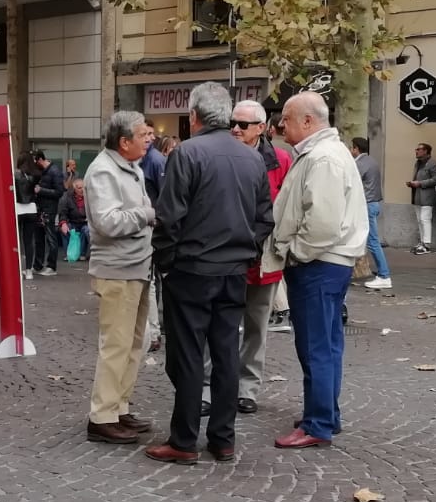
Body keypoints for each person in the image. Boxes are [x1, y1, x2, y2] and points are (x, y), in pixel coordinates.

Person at [145, 83, 273, 466]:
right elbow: (264, 218)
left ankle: (184, 440)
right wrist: (247, 252)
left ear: (194, 116)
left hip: (193, 268)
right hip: (233, 269)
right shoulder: (251, 158)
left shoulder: (187, 153)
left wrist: (167, 262)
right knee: (225, 353)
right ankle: (222, 438)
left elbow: (169, 216)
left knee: (188, 355)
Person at [265, 92, 368, 450]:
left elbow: (321, 224)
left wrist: (295, 253)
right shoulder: (324, 153)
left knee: (316, 346)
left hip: (318, 264)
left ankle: (318, 423)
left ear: (308, 121)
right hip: (327, 263)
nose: (281, 125)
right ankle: (325, 414)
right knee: (326, 343)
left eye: (287, 118)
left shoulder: (323, 158)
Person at [201, 100, 291, 416]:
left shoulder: (281, 160)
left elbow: (284, 209)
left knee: (256, 326)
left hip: (263, 259)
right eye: (232, 123)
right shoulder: (219, 155)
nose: (235, 129)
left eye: (242, 124)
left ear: (261, 128)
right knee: (216, 325)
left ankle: (247, 388)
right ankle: (208, 388)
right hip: (225, 257)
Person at [85, 111, 158, 444]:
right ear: (124, 141)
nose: (150, 138)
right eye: (143, 134)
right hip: (117, 270)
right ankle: (102, 417)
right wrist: (146, 214)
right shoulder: (103, 170)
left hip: (137, 267)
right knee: (116, 345)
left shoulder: (132, 167)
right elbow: (107, 222)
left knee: (133, 344)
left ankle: (119, 407)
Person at [349, 137, 391, 290]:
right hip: (373, 203)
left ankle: (384, 276)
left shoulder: (360, 164)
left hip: (366, 204)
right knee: (367, 240)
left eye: (352, 148)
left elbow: (350, 181)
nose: (350, 151)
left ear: (356, 149)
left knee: (373, 242)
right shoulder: (372, 161)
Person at [31, 148, 66, 276]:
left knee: (50, 238)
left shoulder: (55, 171)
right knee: (39, 239)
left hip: (49, 209)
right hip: (40, 208)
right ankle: (38, 265)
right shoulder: (43, 171)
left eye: (35, 162)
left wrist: (41, 190)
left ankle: (51, 266)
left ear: (40, 159)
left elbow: (59, 192)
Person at [407, 143, 436, 254]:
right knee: (419, 220)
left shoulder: (433, 164)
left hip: (427, 197)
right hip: (417, 196)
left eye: (418, 149)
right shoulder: (418, 163)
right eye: (416, 149)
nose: (416, 151)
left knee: (425, 219)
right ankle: (422, 242)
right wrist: (412, 183)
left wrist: (420, 183)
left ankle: (427, 245)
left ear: (426, 151)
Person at [14, 153, 40, 279]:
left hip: (18, 208)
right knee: (29, 241)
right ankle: (29, 270)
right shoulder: (35, 175)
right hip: (31, 209)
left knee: (17, 241)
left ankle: (17, 269)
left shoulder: (15, 174)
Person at [59, 178, 90, 260]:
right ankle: (68, 254)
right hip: (73, 222)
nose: (82, 190)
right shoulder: (68, 197)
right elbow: (63, 212)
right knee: (64, 229)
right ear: (75, 189)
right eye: (79, 188)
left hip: (85, 223)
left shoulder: (89, 197)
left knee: (86, 230)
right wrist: (63, 223)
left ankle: (82, 254)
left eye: (83, 187)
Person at [140, 135, 167, 202]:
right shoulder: (139, 157)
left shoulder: (156, 160)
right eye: (148, 134)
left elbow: (164, 192)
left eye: (150, 133)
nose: (153, 137)